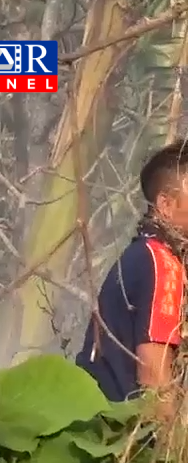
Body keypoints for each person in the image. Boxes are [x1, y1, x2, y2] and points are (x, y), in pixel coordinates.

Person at [76, 139, 188, 415]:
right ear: (166, 203)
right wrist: (175, 456)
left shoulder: (141, 253)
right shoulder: (162, 263)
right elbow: (155, 383)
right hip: (121, 436)